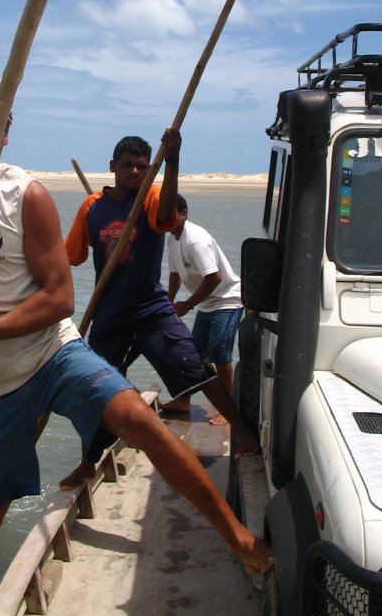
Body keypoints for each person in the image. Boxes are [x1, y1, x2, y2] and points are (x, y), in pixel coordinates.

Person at [0, 72, 273, 616]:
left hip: (53, 350)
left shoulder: (29, 194)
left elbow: (56, 300)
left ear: (7, 131)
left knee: (141, 420)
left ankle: (237, 536)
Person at [60, 132, 258, 490]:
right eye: (128, 166)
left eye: (141, 166)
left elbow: (166, 215)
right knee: (93, 390)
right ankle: (88, 463)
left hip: (152, 310)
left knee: (196, 368)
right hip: (110, 315)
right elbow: (70, 255)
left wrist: (172, 160)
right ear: (113, 168)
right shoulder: (92, 207)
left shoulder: (151, 198)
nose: (135, 172)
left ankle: (243, 433)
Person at [167, 193, 244, 425]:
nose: (164, 218)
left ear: (183, 213)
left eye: (169, 214)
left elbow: (214, 277)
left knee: (219, 352)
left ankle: (228, 408)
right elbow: (174, 275)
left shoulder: (195, 239)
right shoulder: (171, 238)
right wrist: (168, 304)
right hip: (207, 303)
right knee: (194, 355)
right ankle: (183, 401)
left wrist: (188, 304)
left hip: (227, 299)